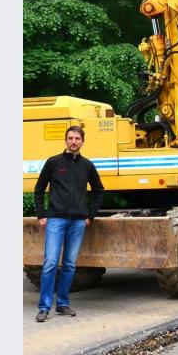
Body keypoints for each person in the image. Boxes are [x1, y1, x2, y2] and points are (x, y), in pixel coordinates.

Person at [34, 125, 105, 322]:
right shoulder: (54, 163)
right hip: (56, 219)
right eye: (70, 138)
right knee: (49, 263)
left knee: (69, 265)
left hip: (78, 222)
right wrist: (41, 214)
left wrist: (90, 215)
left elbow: (99, 190)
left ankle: (63, 304)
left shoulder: (87, 166)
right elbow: (39, 189)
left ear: (82, 142)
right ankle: (44, 307)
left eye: (77, 139)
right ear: (66, 140)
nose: (74, 142)